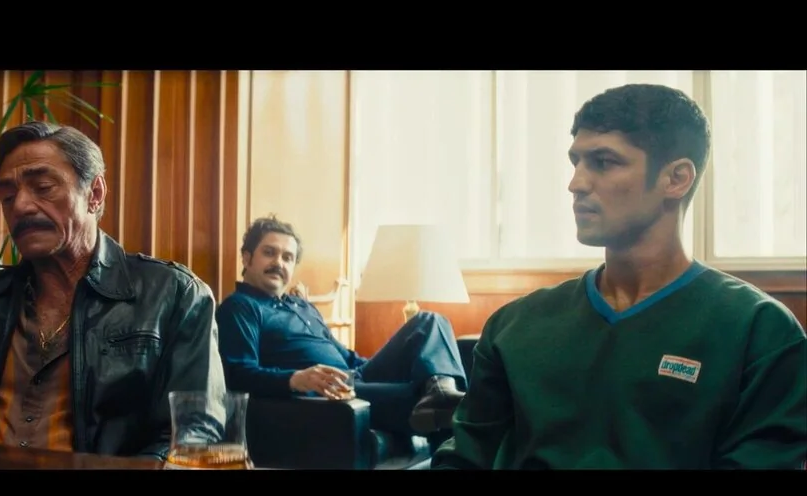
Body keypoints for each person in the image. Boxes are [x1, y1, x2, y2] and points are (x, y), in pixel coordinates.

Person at [433, 83, 807, 470]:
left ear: (676, 178)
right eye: (576, 162)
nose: (576, 183)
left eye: (603, 161)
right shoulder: (514, 326)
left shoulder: (760, 331)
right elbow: (464, 457)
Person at [0, 121, 226, 461]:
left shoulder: (174, 295)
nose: (20, 206)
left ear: (95, 194)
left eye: (43, 187)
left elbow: (194, 434)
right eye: (8, 196)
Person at [215, 215, 468, 444]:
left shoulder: (301, 306)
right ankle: (440, 402)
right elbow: (237, 373)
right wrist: (295, 378)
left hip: (356, 376)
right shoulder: (240, 307)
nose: (278, 263)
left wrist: (391, 366)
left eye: (287, 257)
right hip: (328, 394)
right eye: (269, 253)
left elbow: (343, 355)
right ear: (247, 258)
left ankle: (440, 390)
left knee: (430, 321)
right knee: (431, 400)